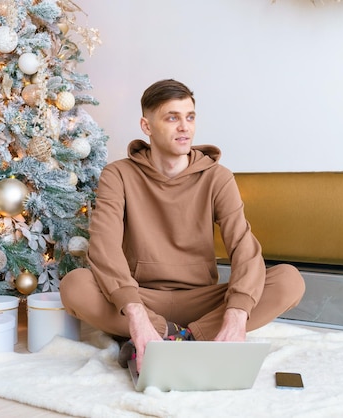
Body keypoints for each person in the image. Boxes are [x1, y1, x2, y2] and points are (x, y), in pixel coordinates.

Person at [60, 79, 305, 372]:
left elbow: (243, 248)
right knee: (74, 285)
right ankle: (158, 332)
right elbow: (104, 247)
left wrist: (236, 315)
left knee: (289, 280)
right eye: (172, 118)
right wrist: (136, 314)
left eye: (189, 117)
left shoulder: (217, 177)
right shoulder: (118, 175)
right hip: (142, 296)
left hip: (203, 300)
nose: (184, 127)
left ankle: (183, 337)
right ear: (146, 126)